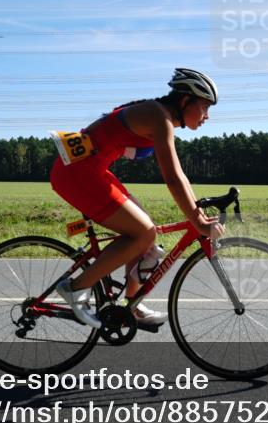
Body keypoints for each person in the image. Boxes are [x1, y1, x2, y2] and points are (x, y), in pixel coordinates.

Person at [49, 68, 225, 330]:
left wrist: (198, 213)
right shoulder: (158, 116)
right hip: (78, 174)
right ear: (185, 100)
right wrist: (198, 223)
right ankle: (75, 288)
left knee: (147, 230)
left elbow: (181, 176)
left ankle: (132, 305)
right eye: (205, 107)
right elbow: (172, 177)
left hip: (91, 170)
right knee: (144, 232)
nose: (207, 116)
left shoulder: (156, 113)